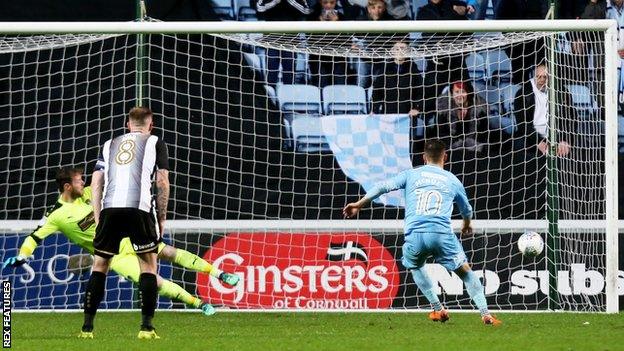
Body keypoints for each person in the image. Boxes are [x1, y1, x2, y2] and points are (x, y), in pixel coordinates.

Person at [2, 167, 240, 319]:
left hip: (128, 236)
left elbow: (103, 183)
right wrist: (23, 256)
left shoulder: (86, 193)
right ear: (67, 186)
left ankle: (220, 274)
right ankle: (200, 304)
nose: (83, 183)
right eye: (78, 180)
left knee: (167, 251)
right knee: (154, 281)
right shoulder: (56, 215)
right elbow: (34, 237)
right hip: (114, 255)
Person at [342, 139, 501, 326]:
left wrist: (359, 205)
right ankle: (485, 314)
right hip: (441, 234)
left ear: (424, 157)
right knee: (465, 272)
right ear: (445, 157)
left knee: (416, 265)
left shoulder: (411, 174)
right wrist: (466, 224)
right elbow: (466, 209)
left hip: (415, 234)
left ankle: (437, 308)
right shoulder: (452, 180)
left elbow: (382, 187)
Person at [79, 107, 166, 339]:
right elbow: (162, 182)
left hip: (110, 209)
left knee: (100, 266)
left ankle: (87, 329)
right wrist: (162, 219)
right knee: (148, 266)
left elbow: (96, 182)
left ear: (128, 124)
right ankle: (146, 329)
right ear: (151, 124)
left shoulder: (109, 144)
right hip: (139, 208)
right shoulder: (155, 142)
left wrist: (98, 217)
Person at [513, 64, 575, 157]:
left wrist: (564, 139)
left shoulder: (562, 92)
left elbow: (571, 119)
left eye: (545, 77)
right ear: (534, 77)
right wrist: (539, 142)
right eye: (538, 77)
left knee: (568, 152)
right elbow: (522, 124)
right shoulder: (523, 94)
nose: (542, 80)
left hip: (556, 137)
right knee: (520, 147)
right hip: (531, 138)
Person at [432, 81, 489, 155]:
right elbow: (442, 133)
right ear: (452, 93)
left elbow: (483, 132)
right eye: (457, 92)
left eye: (463, 91)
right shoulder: (443, 109)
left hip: (475, 151)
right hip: (451, 150)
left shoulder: (480, 108)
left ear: (468, 93)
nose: (460, 95)